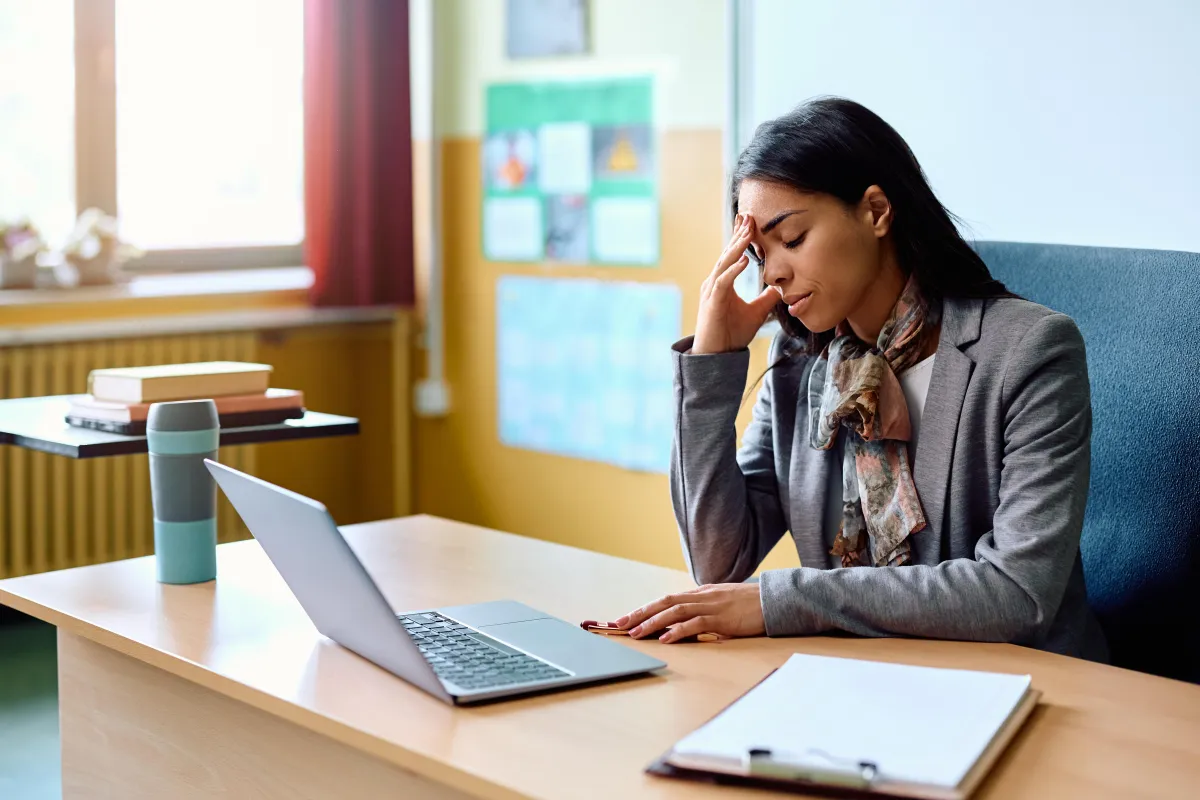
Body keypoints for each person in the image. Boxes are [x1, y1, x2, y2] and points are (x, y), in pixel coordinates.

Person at [611, 97, 1108, 661]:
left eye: (791, 238)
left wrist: (782, 601)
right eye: (758, 253)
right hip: (868, 685)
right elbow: (718, 562)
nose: (772, 272)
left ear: (875, 211)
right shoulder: (800, 364)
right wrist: (710, 366)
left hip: (1032, 687)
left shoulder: (1029, 351)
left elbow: (1017, 594)